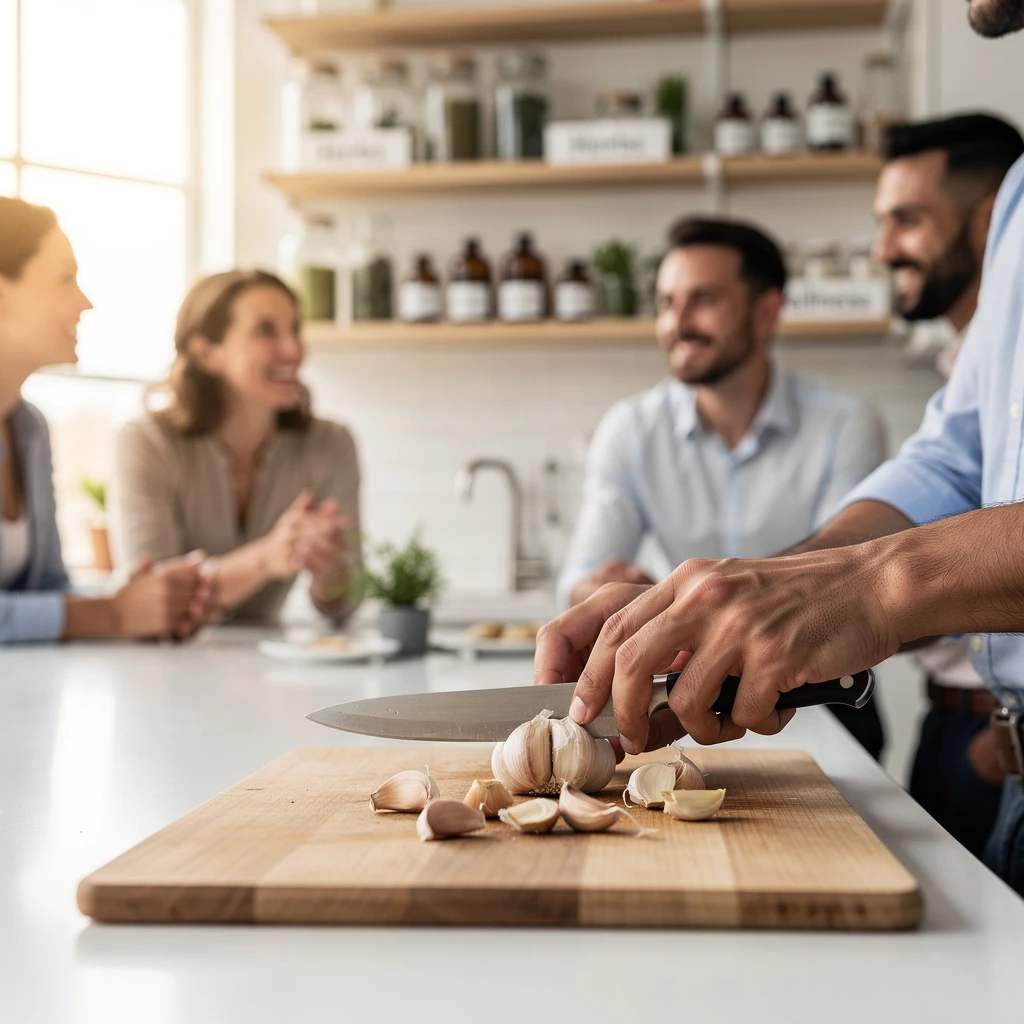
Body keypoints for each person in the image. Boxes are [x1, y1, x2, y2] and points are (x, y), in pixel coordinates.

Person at [532, 0, 1024, 899]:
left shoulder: (837, 417)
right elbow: (953, 462)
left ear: (766, 312)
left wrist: (871, 583)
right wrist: (733, 599)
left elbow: (886, 576)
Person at [556, 216, 887, 758]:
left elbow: (852, 578)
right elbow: (578, 578)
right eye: (665, 303)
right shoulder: (631, 429)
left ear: (767, 311)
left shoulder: (846, 426)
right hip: (693, 704)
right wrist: (602, 587)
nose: (676, 323)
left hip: (823, 698)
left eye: (702, 300)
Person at [873, 112, 1024, 857]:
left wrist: (866, 587)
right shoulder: (972, 362)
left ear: (987, 216)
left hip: (992, 742)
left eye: (906, 219)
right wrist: (773, 580)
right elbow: (946, 468)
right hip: (978, 737)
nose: (881, 249)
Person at [0, 196, 211, 644]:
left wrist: (138, 601)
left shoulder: (29, 429)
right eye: (64, 279)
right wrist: (111, 614)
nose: (85, 302)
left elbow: (46, 589)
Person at [114, 270, 361, 625]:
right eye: (266, 330)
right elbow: (153, 599)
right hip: (164, 665)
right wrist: (265, 558)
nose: (293, 349)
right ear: (206, 354)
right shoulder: (146, 443)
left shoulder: (331, 444)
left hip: (267, 665)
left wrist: (327, 566)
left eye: (294, 329)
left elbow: (345, 602)